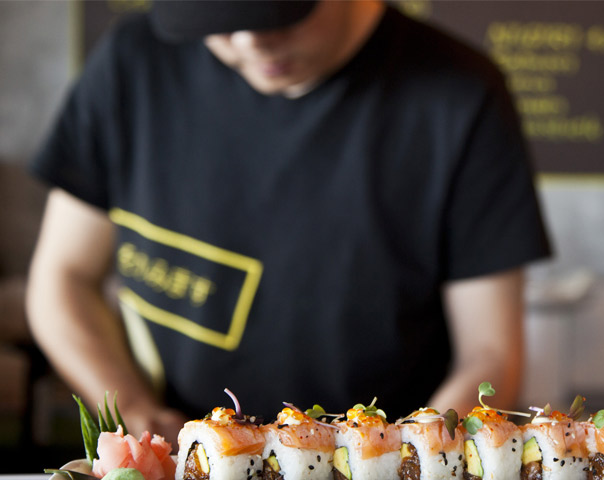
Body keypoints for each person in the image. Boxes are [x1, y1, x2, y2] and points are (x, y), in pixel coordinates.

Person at [26, 0, 550, 444]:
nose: (251, 43)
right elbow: (63, 278)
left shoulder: (459, 96)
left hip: (383, 477)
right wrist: (136, 414)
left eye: (280, 17)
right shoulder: (134, 63)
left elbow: (490, 352)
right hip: (184, 467)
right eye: (218, 27)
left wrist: (413, 456)